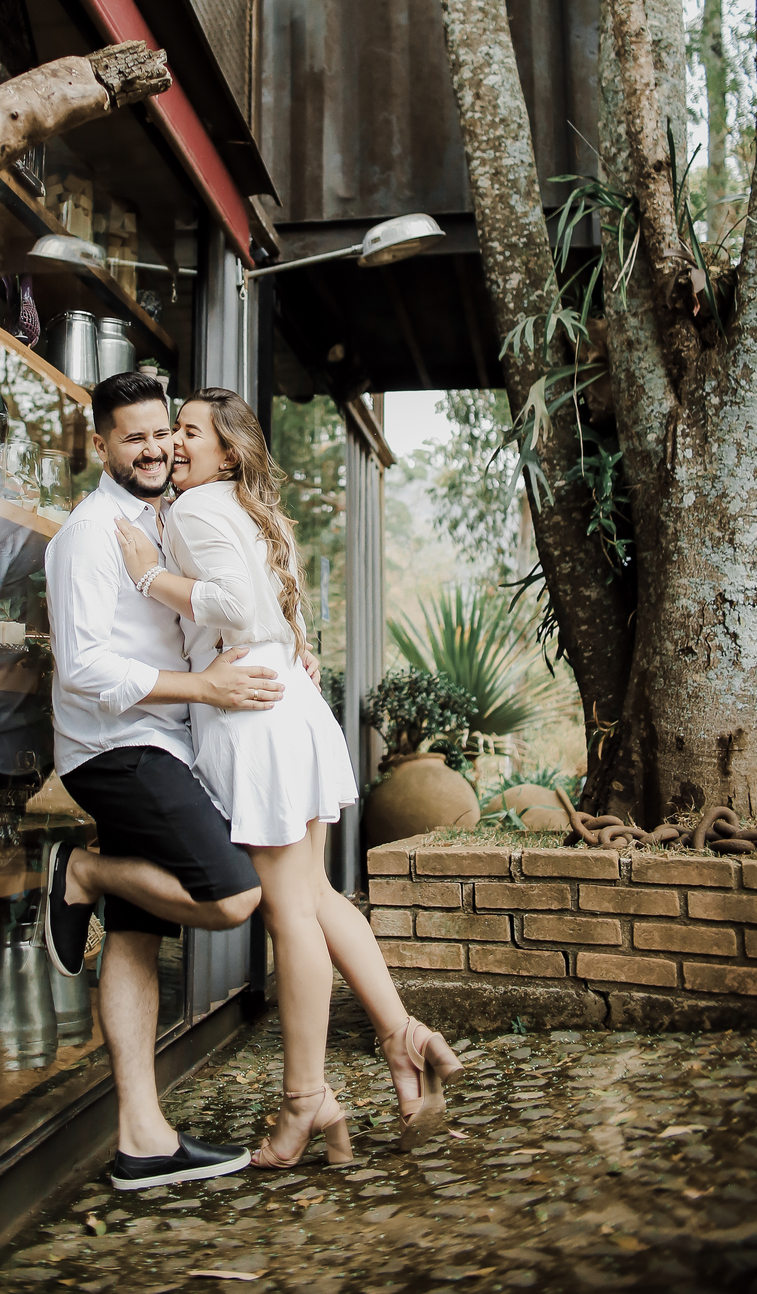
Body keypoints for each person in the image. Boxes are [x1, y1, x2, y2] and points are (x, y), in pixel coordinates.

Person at [115, 387, 465, 1168]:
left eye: (190, 432)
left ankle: (305, 1100)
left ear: (226, 452)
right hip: (292, 707)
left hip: (255, 718)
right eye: (175, 429)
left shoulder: (193, 509)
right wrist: (295, 644)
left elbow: (236, 604)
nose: (174, 443)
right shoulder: (254, 510)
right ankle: (404, 1038)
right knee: (317, 897)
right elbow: (282, 613)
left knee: (290, 913)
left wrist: (147, 576)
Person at [43, 370, 286, 1191]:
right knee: (233, 896)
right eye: (135, 438)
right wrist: (205, 690)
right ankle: (84, 871)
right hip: (116, 750)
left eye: (163, 434)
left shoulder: (169, 517)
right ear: (101, 445)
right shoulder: (88, 534)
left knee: (135, 936)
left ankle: (141, 1139)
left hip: (161, 744)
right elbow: (82, 668)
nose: (155, 449)